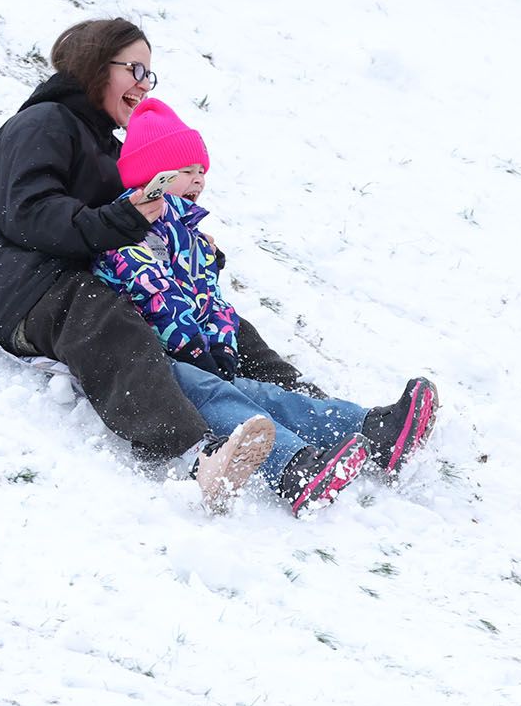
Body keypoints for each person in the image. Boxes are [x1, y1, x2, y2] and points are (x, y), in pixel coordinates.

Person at [0, 19, 312, 509]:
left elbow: (123, 236)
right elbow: (30, 216)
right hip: (25, 288)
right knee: (106, 318)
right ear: (95, 67)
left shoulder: (107, 148)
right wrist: (120, 220)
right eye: (135, 69)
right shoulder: (42, 123)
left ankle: (327, 420)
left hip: (82, 272)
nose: (144, 84)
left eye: (149, 74)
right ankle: (193, 454)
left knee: (215, 321)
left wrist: (186, 251)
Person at [93, 97, 440, 516]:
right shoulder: (128, 234)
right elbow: (157, 298)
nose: (199, 178)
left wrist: (221, 346)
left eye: (202, 170)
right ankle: (295, 469)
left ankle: (372, 430)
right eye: (186, 170)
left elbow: (211, 300)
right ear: (153, 177)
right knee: (219, 397)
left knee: (262, 395)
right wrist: (198, 350)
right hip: (158, 360)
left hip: (197, 355)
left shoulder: (190, 237)